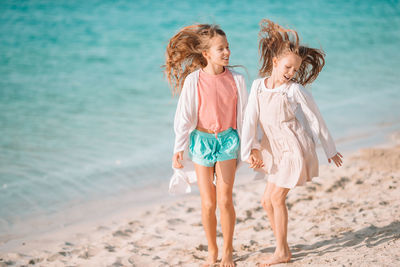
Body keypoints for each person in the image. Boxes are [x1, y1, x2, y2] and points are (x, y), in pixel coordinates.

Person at [241, 19, 343, 266]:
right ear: (275, 62)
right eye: (288, 67)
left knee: (276, 199)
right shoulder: (257, 87)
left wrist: (330, 149)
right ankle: (282, 248)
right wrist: (250, 149)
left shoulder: (294, 90)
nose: (291, 73)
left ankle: (281, 252)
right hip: (273, 149)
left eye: (295, 70)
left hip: (294, 148)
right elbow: (249, 120)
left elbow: (315, 118)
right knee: (266, 201)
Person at [164, 24, 248, 267]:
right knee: (208, 203)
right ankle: (212, 251)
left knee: (225, 201)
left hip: (228, 141)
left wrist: (251, 145)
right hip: (201, 143)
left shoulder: (237, 80)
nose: (227, 52)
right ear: (206, 54)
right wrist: (178, 149)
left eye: (228, 47)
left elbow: (245, 116)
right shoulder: (193, 81)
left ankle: (228, 251)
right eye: (221, 48)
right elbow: (184, 117)